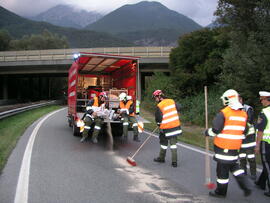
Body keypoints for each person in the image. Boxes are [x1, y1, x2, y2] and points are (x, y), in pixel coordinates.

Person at [205, 89, 251, 198]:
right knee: (234, 166)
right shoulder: (243, 114)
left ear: (228, 99)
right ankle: (245, 185)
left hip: (223, 146)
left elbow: (216, 129)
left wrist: (207, 132)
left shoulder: (224, 113)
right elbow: (246, 130)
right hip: (235, 147)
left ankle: (221, 192)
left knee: (222, 171)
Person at [152, 90, 182, 168]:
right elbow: (179, 107)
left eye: (155, 98)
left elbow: (158, 119)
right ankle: (174, 162)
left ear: (159, 96)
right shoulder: (172, 101)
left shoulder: (160, 105)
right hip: (175, 127)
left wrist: (159, 125)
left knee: (163, 144)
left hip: (165, 128)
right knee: (173, 145)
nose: (155, 100)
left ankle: (161, 158)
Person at [255, 91, 270, 197]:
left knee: (267, 164)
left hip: (265, 142)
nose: (261, 102)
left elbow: (260, 130)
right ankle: (261, 182)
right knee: (267, 163)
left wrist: (257, 145)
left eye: (261, 99)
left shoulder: (264, 112)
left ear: (266, 99)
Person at [238, 96, 257, 180]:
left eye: (238, 99)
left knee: (251, 157)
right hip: (240, 137)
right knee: (242, 156)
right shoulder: (235, 109)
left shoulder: (247, 108)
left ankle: (253, 174)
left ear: (241, 99)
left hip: (249, 137)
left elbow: (249, 120)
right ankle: (243, 171)